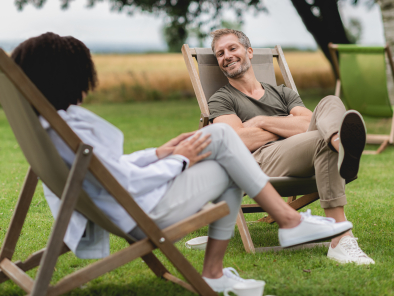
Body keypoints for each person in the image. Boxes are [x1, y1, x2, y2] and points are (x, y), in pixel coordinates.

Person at [11, 32, 352, 292]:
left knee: (226, 145)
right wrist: (180, 162)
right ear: (67, 78)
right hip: (140, 208)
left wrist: (160, 153)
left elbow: (107, 168)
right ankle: (282, 225)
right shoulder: (68, 130)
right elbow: (122, 182)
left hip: (123, 201)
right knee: (224, 144)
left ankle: (246, 251)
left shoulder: (50, 126)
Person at [207, 28, 374, 265]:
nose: (226, 56)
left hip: (301, 152)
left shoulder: (281, 92)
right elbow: (236, 141)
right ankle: (341, 236)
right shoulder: (222, 98)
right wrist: (286, 125)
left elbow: (308, 122)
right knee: (321, 139)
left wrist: (262, 122)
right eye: (220, 54)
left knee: (330, 102)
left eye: (232, 48)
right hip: (261, 161)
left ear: (249, 51)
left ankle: (338, 143)